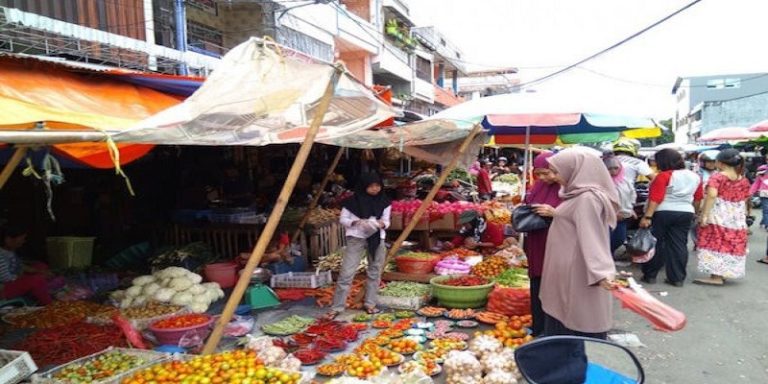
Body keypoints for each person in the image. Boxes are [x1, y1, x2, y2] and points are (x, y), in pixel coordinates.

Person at [540, 149, 620, 339]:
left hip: (575, 275)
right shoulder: (576, 194)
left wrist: (601, 272)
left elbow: (593, 237)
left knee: (572, 328)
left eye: (556, 171)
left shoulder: (587, 199)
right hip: (566, 274)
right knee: (564, 326)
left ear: (575, 170)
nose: (554, 176)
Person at [325, 173, 391, 318]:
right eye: (371, 186)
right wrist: (356, 222)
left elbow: (387, 221)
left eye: (377, 186)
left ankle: (370, 304)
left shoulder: (384, 201)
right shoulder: (351, 202)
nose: (375, 189)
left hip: (376, 238)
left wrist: (381, 224)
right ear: (364, 186)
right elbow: (343, 219)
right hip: (356, 238)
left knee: (375, 272)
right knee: (347, 273)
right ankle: (337, 307)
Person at [639, 149, 703, 287]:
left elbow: (655, 198)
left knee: (656, 243)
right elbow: (698, 198)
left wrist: (647, 217)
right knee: (679, 244)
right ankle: (677, 278)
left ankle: (650, 275)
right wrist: (695, 213)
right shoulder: (695, 176)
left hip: (663, 212)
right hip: (686, 212)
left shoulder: (663, 176)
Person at [695, 149, 751, 285]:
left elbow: (712, 195)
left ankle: (716, 277)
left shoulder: (717, 177)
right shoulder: (743, 179)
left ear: (720, 163)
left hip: (719, 213)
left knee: (715, 242)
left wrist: (705, 215)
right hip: (736, 216)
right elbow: (746, 198)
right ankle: (724, 272)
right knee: (729, 243)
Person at [523, 151, 562, 337]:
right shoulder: (538, 186)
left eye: (547, 172)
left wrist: (556, 213)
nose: (543, 177)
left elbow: (578, 215)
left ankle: (551, 329)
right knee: (537, 282)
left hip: (557, 240)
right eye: (539, 173)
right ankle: (538, 326)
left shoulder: (568, 187)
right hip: (536, 240)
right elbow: (528, 202)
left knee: (553, 284)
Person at [0, 224, 53, 305]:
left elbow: (19, 265)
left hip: (14, 279)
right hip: (3, 289)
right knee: (36, 280)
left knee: (41, 265)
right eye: (22, 239)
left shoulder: (9, 251)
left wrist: (38, 271)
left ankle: (41, 288)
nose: (23, 241)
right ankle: (50, 305)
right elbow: (7, 279)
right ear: (8, 239)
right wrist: (30, 277)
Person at [604, 155, 637, 254]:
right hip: (607, 217)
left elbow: (632, 194)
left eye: (616, 168)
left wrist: (631, 208)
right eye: (609, 169)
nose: (613, 171)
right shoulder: (601, 182)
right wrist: (613, 213)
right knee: (606, 240)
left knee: (619, 239)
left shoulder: (625, 181)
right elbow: (602, 199)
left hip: (623, 215)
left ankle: (609, 257)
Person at [750, 165, 768, 230]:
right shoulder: (762, 169)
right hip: (764, 194)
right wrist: (750, 192)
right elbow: (757, 183)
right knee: (766, 210)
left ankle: (763, 222)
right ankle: (767, 225)